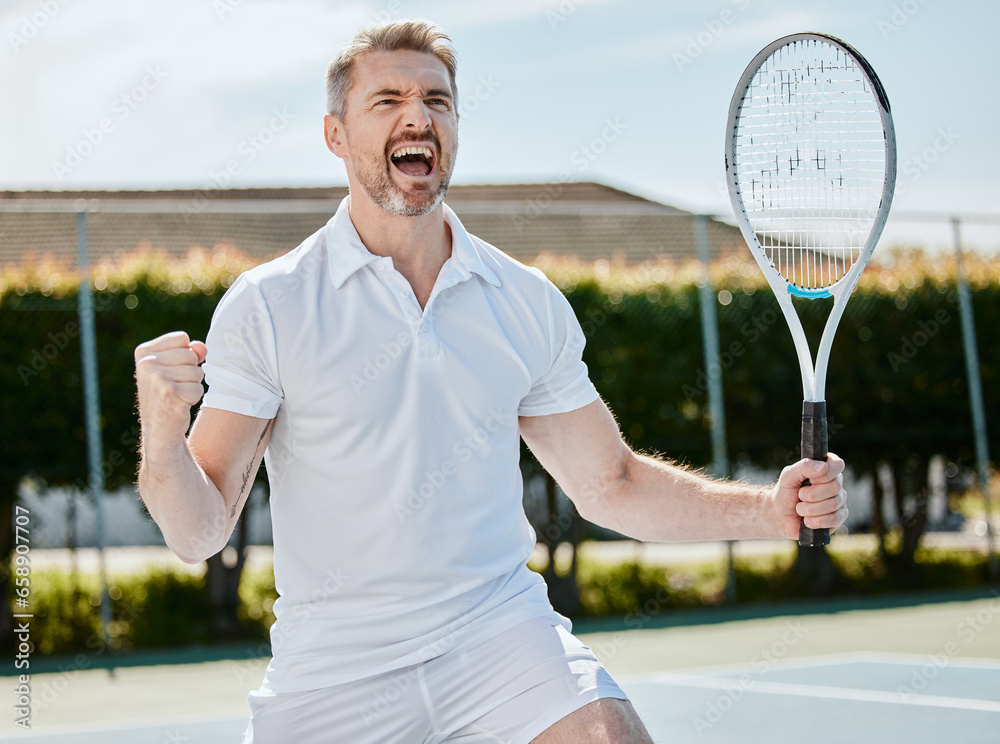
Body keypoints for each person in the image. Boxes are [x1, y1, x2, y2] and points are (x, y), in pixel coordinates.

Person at [133, 18, 847, 744]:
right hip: (334, 673)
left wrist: (770, 510)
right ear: (336, 136)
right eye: (387, 101)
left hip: (500, 641)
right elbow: (200, 531)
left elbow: (613, 483)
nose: (418, 115)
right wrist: (164, 436)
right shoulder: (269, 304)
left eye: (437, 100)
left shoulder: (524, 300)